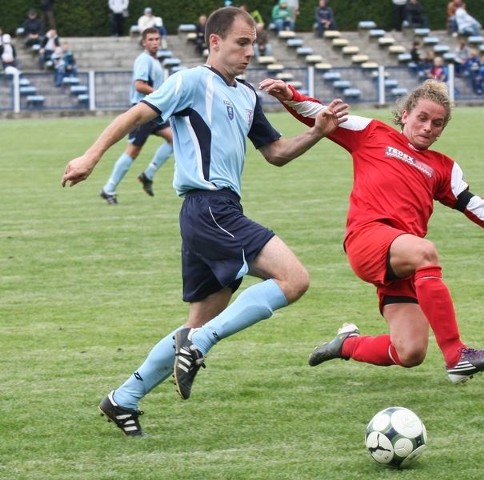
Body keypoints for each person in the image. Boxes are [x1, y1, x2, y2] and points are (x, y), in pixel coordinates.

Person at [61, 6, 348, 436]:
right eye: (241, 42)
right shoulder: (192, 81)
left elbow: (276, 153)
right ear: (215, 42)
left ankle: (123, 398)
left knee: (196, 324)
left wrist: (317, 132)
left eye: (253, 43)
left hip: (213, 213)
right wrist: (90, 156)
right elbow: (135, 115)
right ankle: (198, 345)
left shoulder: (248, 95)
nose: (250, 51)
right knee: (294, 279)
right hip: (209, 208)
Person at [259, 76, 484, 385]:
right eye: (422, 118)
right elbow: (321, 114)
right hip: (368, 239)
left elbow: (476, 205)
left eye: (437, 124)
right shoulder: (372, 133)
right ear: (406, 114)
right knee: (426, 251)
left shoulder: (443, 167)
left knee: (409, 351)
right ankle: (457, 355)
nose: (427, 127)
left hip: (402, 259)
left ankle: (346, 344)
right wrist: (288, 93)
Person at [98, 27, 173, 204]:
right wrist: (161, 93)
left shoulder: (154, 61)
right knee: (132, 152)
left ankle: (148, 175)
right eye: (151, 39)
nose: (155, 42)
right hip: (142, 110)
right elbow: (139, 85)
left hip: (154, 110)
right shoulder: (143, 60)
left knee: (175, 140)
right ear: (144, 42)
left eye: (157, 39)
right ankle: (108, 188)